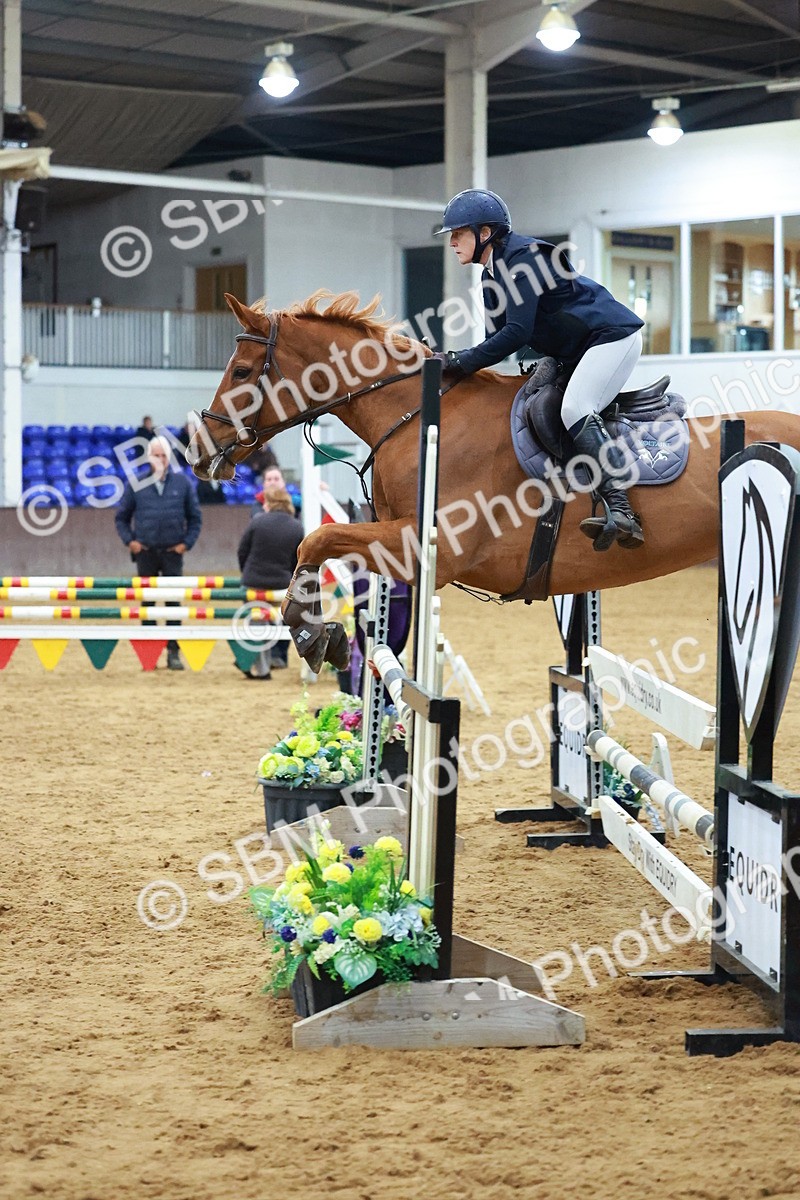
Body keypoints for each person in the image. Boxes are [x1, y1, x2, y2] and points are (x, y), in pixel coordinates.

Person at [433, 188, 645, 551]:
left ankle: (623, 509)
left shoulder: (523, 258)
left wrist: (457, 361)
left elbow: (517, 333)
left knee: (576, 408)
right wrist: (455, 365)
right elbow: (494, 342)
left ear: (485, 233)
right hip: (577, 350)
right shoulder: (490, 278)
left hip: (612, 338)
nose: (452, 242)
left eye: (458, 233)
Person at [114, 436, 202, 670]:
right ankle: (149, 654)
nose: (160, 459)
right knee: (148, 605)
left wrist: (187, 543)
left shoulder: (183, 483)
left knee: (174, 604)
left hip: (174, 552)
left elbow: (195, 519)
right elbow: (121, 518)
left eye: (164, 455)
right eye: (156, 455)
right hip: (146, 553)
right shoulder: (136, 484)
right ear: (149, 457)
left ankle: (173, 652)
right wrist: (129, 541)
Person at [237, 487, 304, 679]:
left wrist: (247, 573)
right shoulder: (297, 526)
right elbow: (298, 559)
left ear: (271, 503)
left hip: (253, 581)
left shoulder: (257, 522)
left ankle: (262, 667)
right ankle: (275, 657)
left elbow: (242, 551)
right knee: (275, 622)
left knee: (257, 623)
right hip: (281, 584)